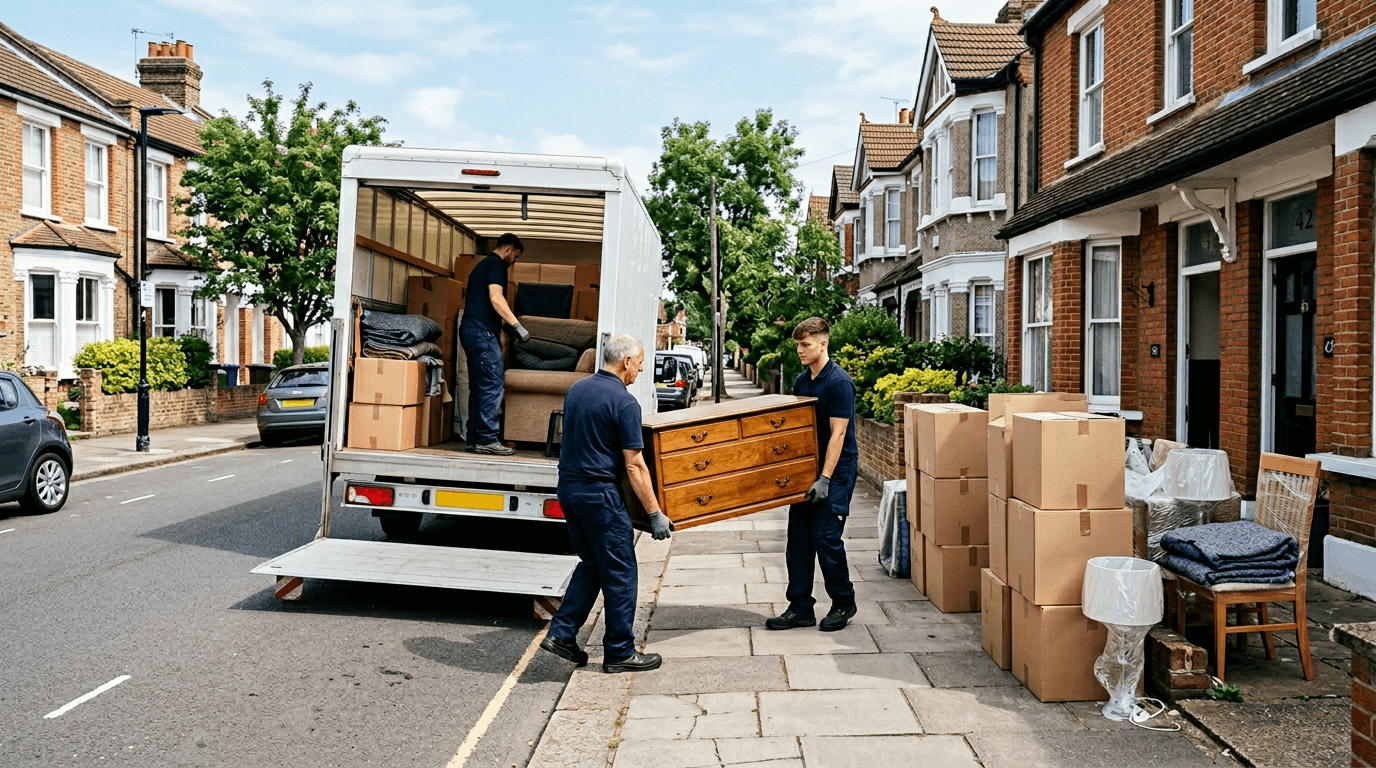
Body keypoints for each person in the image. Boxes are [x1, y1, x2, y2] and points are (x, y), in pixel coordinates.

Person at [540, 334, 672, 673]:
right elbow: (634, 464)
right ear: (626, 362)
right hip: (600, 496)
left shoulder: (577, 390)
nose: (638, 372)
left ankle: (563, 634)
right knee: (621, 572)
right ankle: (620, 652)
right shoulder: (625, 403)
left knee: (593, 564)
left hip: (569, 490)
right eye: (639, 366)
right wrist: (655, 512)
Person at [766, 316, 859, 633]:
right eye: (797, 345)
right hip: (806, 471)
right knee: (799, 539)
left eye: (805, 345)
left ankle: (844, 602)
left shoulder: (839, 383)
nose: (800, 351)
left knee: (826, 538)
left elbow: (838, 435)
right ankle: (801, 607)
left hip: (836, 472)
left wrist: (826, 479)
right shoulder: (801, 382)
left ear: (823, 343)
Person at [459, 233, 531, 456]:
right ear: (508, 249)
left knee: (478, 387)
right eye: (516, 257)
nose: (514, 262)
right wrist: (517, 325)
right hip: (482, 333)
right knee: (492, 385)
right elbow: (496, 298)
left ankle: (474, 439)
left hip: (470, 330)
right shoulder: (497, 265)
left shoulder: (481, 266)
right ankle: (488, 439)